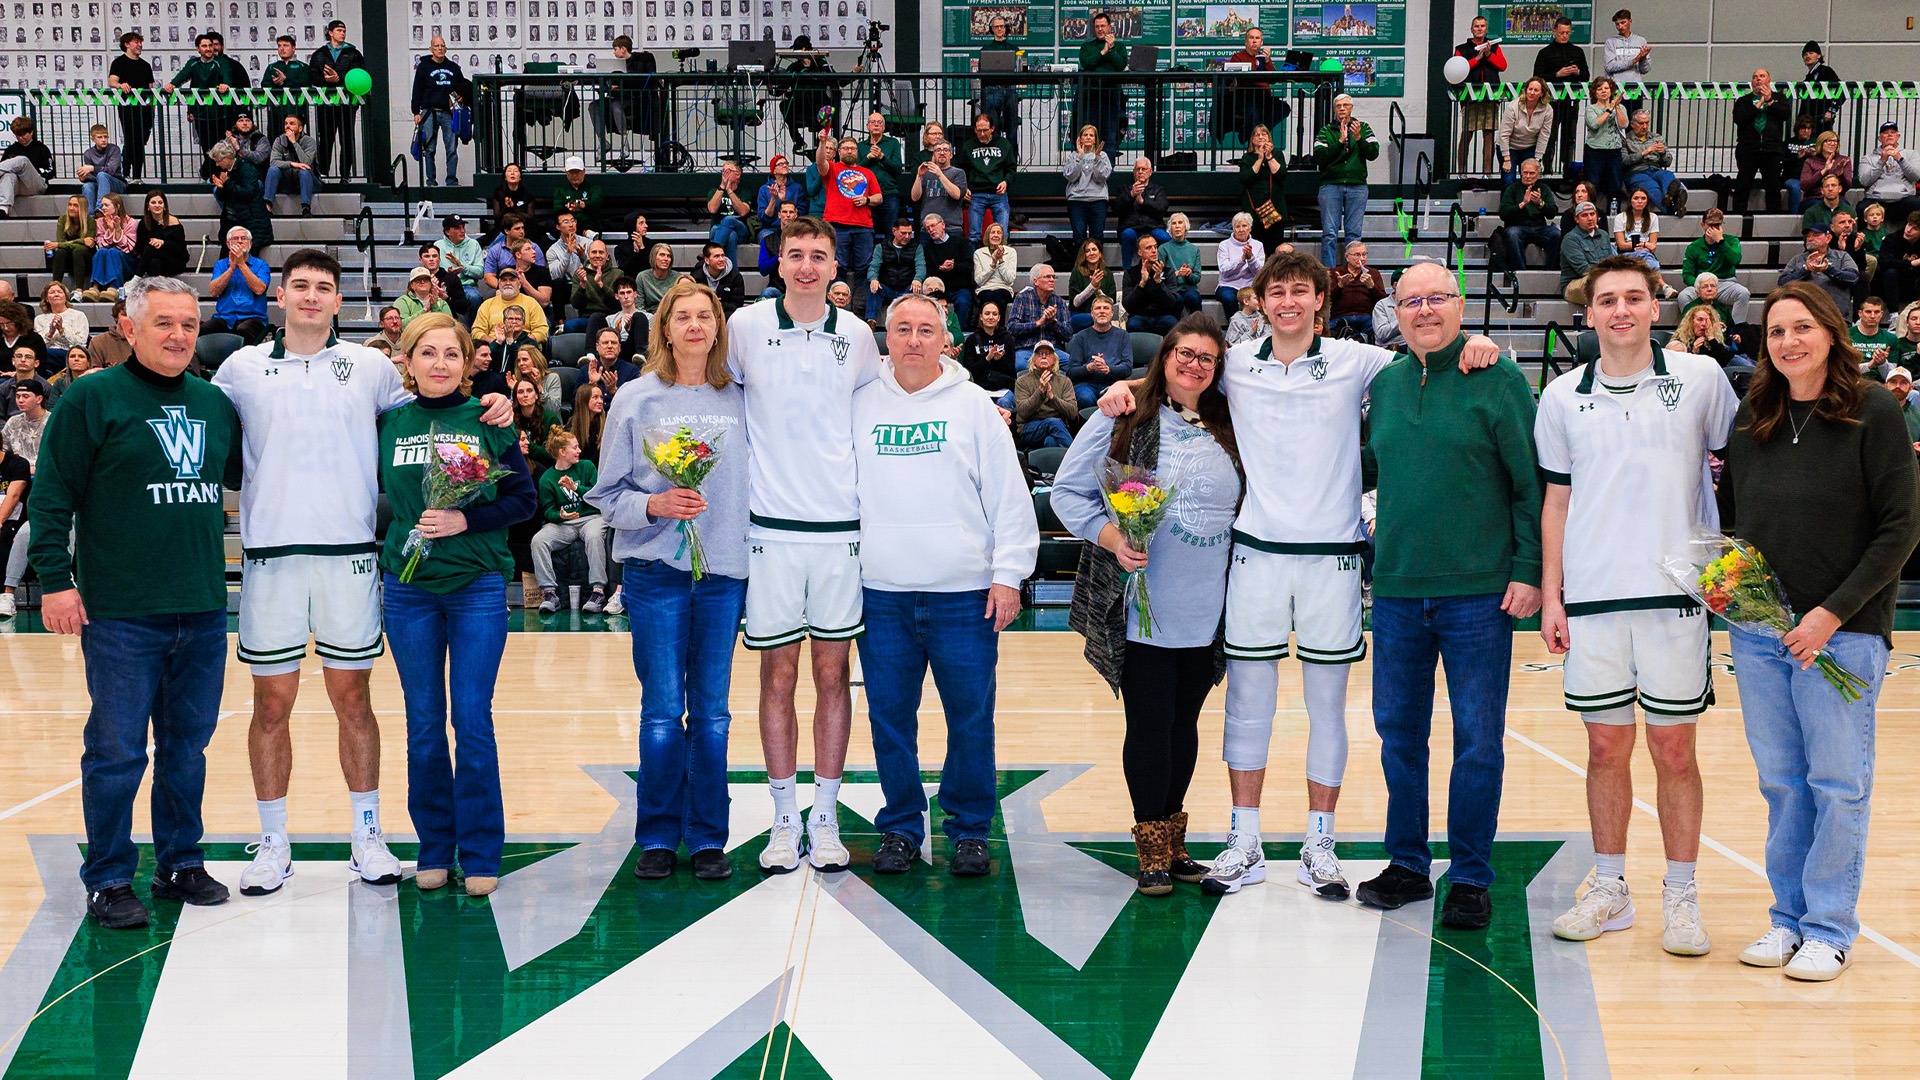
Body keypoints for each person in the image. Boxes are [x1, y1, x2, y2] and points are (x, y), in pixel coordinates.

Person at [1098, 253, 1505, 900]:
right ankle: (1244, 841)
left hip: (1334, 558)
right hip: (1255, 554)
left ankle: (1321, 843)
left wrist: (1479, 340)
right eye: (1276, 290)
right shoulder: (1236, 365)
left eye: (1301, 290)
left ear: (1321, 299)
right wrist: (1126, 392)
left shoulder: (1358, 360)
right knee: (1246, 708)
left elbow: (1430, 350)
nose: (1288, 300)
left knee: (1327, 711)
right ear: (1258, 300)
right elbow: (1179, 379)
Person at [214, 251, 501, 896]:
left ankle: (367, 835)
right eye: (300, 287)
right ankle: (273, 839)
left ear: (340, 301)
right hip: (271, 557)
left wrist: (494, 407)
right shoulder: (241, 369)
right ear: (278, 296)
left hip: (350, 555)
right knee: (271, 704)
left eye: (324, 288)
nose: (312, 297)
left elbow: (438, 407)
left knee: (353, 700)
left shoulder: (371, 368)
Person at [1537, 256, 1740, 957]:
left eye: (1634, 297)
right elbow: (1556, 500)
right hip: (1593, 599)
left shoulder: (1702, 380)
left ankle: (1681, 895)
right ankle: (1612, 888)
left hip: (1676, 597)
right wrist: (1553, 595)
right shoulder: (1562, 395)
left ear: (1657, 306)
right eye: (1606, 300)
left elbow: (1736, 469)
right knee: (1604, 746)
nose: (1620, 310)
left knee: (1674, 748)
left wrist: (1730, 570)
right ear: (1587, 313)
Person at [1718, 281, 1920, 981]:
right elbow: (1735, 522)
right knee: (1782, 782)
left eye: (1801, 328)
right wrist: (1732, 588)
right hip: (1761, 633)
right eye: (1776, 332)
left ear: (1831, 333)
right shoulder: (1755, 414)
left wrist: (1831, 613)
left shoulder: (1873, 411)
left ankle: (1829, 926)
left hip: (1843, 630)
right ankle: (1787, 919)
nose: (1788, 342)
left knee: (1837, 782)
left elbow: (1902, 529)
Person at [29, 275, 243, 928]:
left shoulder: (213, 404)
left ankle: (180, 862)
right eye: (164, 324)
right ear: (129, 328)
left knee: (187, 749)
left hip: (204, 608)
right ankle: (111, 877)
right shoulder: (92, 398)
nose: (179, 335)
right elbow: (50, 494)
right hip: (122, 613)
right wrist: (56, 580)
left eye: (188, 324)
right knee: (118, 751)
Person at [1356, 260, 1542, 928]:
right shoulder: (1387, 384)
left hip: (1479, 594)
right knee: (1398, 735)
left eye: (1437, 298)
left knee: (1478, 739)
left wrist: (1529, 570)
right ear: (1395, 314)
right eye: (1411, 301)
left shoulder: (1500, 379)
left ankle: (1469, 874)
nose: (1424, 310)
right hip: (1400, 592)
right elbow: (1372, 474)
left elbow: (1529, 484)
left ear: (1460, 306)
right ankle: (1408, 862)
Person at [854, 292, 1037, 877]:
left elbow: (1009, 495)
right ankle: (902, 826)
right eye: (902, 329)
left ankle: (968, 827)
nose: (913, 340)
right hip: (880, 593)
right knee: (889, 717)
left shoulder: (974, 406)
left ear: (945, 339)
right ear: (886, 336)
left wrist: (1008, 575)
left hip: (964, 593)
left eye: (925, 330)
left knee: (970, 716)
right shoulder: (859, 402)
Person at [1057, 314, 1239, 890]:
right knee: (1151, 723)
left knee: (1186, 724)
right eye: (1184, 353)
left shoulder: (1228, 423)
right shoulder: (1127, 416)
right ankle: (1150, 846)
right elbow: (1067, 493)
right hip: (1144, 600)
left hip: (1209, 605)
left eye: (1207, 358)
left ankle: (1175, 841)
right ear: (1164, 357)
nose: (1194, 365)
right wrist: (1113, 538)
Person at [725, 216, 884, 874]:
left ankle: (824, 816)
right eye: (797, 255)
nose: (808, 266)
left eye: (819, 255)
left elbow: (880, 417)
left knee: (831, 677)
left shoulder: (859, 336)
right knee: (778, 677)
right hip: (770, 531)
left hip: (840, 531)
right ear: (780, 263)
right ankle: (783, 818)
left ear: (834, 265)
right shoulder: (745, 328)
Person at [588, 278, 749, 881]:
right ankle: (656, 833)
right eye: (682, 316)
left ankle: (708, 837)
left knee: (711, 712)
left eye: (705, 316)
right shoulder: (635, 399)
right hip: (654, 574)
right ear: (664, 327)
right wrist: (653, 508)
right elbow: (604, 496)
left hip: (722, 573)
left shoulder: (740, 399)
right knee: (660, 711)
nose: (695, 326)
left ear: (717, 327)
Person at [379, 312, 536, 897]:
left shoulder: (487, 418)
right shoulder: (389, 421)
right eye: (428, 353)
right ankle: (434, 846)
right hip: (408, 588)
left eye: (451, 353)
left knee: (470, 720)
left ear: (468, 361)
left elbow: (522, 501)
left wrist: (465, 518)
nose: (439, 363)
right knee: (423, 725)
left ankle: (480, 849)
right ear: (409, 360)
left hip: (475, 589)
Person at [529, 426, 611, 613]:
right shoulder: (547, 479)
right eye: (575, 448)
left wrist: (576, 489)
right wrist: (560, 515)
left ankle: (598, 591)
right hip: (564, 524)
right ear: (562, 452)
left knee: (593, 536)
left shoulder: (587, 467)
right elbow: (547, 511)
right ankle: (550, 593)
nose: (579, 451)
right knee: (539, 540)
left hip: (591, 517)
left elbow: (598, 498)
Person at [1314, 95, 1377, 269]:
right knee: (1329, 233)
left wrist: (1358, 139)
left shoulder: (1363, 128)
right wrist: (1340, 141)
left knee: (1354, 233)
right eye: (1338, 106)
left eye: (1345, 105)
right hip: (1331, 185)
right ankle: (1329, 272)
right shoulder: (1326, 131)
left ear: (1352, 108)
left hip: (1357, 185)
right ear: (1334, 109)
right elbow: (1319, 157)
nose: (1342, 108)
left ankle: (1355, 269)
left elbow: (1373, 153)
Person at [816, 136, 880, 288]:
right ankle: (838, 304)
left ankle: (860, 306)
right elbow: (820, 162)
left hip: (863, 225)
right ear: (839, 152)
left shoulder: (867, 173)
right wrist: (822, 142)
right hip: (837, 225)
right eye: (846, 148)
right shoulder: (832, 168)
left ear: (858, 152)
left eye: (853, 148)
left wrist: (867, 200)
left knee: (864, 267)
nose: (849, 151)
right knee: (838, 266)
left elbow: (879, 197)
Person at [163, 34, 239, 163]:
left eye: (210, 45)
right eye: (204, 46)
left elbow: (227, 77)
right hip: (200, 112)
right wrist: (171, 84)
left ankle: (216, 174)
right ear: (198, 49)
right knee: (205, 146)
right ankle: (209, 174)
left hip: (219, 113)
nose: (208, 48)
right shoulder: (193, 63)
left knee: (219, 146)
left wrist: (225, 84)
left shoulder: (221, 62)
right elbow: (182, 76)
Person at [310, 20, 367, 180]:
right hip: (326, 104)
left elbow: (359, 74)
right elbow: (313, 76)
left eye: (344, 30)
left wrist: (339, 78)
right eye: (339, 30)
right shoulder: (320, 54)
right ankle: (323, 173)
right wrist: (326, 80)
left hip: (347, 105)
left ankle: (345, 174)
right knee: (326, 140)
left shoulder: (354, 54)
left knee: (347, 140)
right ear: (330, 32)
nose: (342, 33)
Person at [1532, 17, 1588, 177]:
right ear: (1554, 31)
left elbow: (1586, 75)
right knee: (1550, 135)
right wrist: (1557, 74)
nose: (1564, 35)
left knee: (1570, 137)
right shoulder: (1545, 53)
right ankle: (1548, 169)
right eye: (1561, 32)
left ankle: (1567, 169)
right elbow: (1537, 76)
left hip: (1571, 100)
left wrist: (1577, 72)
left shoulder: (1578, 52)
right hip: (1551, 102)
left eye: (1567, 33)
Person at [1675, 208, 1750, 323]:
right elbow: (1687, 275)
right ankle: (1692, 328)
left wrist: (1721, 242)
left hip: (1724, 283)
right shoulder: (1693, 247)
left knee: (1743, 293)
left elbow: (1736, 260)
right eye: (1710, 225)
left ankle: (1735, 331)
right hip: (1701, 284)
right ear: (1703, 225)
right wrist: (1700, 286)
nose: (1714, 229)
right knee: (1683, 296)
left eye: (1717, 225)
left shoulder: (1731, 241)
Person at [1732, 70, 1791, 214]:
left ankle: (1773, 217)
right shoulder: (1743, 101)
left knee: (1773, 185)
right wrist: (1759, 103)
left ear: (1769, 80)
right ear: (1752, 82)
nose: (1758, 79)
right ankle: (1739, 216)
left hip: (1771, 149)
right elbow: (1740, 119)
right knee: (1743, 184)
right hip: (1748, 149)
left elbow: (1785, 115)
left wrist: (1770, 100)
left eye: (1762, 76)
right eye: (1755, 77)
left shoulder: (1780, 98)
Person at [410, 35, 466, 187]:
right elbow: (417, 90)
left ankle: (452, 181)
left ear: (446, 48)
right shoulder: (423, 67)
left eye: (442, 46)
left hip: (449, 113)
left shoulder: (454, 68)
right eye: (437, 46)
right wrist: (416, 112)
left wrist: (462, 97)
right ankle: (431, 182)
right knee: (429, 149)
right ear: (431, 49)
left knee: (452, 149)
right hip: (428, 112)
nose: (440, 48)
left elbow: (462, 87)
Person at [1453, 17, 1507, 174]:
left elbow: (1503, 66)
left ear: (1486, 28)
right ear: (1471, 29)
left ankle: (1487, 172)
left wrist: (1489, 55)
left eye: (1482, 26)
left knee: (1489, 134)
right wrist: (1477, 59)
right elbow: (1458, 69)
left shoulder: (1494, 46)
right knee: (1467, 134)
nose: (1479, 29)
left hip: (1490, 96)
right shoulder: (1461, 49)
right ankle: (1461, 172)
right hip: (1470, 98)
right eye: (1476, 26)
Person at [204, 227, 271, 345]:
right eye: (235, 238)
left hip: (253, 317)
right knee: (204, 330)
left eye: (244, 238)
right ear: (228, 244)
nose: (240, 241)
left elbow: (259, 289)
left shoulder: (261, 265)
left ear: (250, 243)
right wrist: (232, 268)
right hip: (225, 317)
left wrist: (241, 264)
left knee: (243, 331)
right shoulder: (220, 265)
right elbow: (214, 291)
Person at [1780, 223, 1860, 320]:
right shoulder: (1797, 259)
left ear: (1828, 238)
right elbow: (1782, 283)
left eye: (1816, 235)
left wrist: (1828, 269)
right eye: (1808, 236)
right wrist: (1805, 270)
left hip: (1836, 317)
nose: (1810, 238)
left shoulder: (1842, 256)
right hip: (1803, 317)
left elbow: (1852, 278)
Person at [1077, 11, 1128, 163]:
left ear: (1109, 27)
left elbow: (1120, 65)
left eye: (1103, 26)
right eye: (1097, 26)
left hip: (1112, 97)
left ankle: (1108, 172)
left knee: (1110, 137)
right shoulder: (1087, 46)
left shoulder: (1119, 46)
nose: (1100, 29)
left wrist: (1111, 50)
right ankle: (1089, 171)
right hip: (1090, 98)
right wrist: (1103, 52)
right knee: (1089, 136)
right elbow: (1087, 63)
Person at [1066, 295, 1132, 408]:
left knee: (1115, 397)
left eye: (1106, 308)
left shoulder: (1123, 336)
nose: (1102, 311)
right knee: (1085, 397)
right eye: (1098, 308)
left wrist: (1109, 370)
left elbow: (1127, 367)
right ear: (1092, 313)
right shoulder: (1080, 337)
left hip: (1113, 383)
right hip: (1086, 384)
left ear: (1112, 313)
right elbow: (1071, 372)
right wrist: (1089, 368)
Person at [960, 113, 1015, 245]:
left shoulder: (1003, 144)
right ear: (975, 130)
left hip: (998, 193)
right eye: (979, 130)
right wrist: (964, 187)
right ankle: (973, 264)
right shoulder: (968, 146)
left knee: (1002, 234)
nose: (982, 134)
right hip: (976, 193)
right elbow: (961, 169)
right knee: (973, 235)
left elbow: (1011, 168)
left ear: (992, 128)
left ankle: (1001, 263)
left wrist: (1006, 181)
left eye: (985, 130)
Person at [208, 142, 273, 256]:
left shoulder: (247, 169)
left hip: (249, 220)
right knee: (225, 259)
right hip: (231, 219)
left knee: (248, 261)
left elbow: (248, 193)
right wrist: (221, 188)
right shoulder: (226, 171)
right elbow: (225, 196)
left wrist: (227, 184)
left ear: (227, 158)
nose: (217, 165)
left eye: (219, 161)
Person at [1499, 158, 1562, 271]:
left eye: (1531, 173)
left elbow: (1552, 213)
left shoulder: (1544, 189)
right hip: (1517, 226)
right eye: (1525, 173)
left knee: (1557, 234)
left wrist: (1540, 203)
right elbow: (1503, 213)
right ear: (1520, 173)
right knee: (1512, 234)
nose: (1528, 176)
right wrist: (1522, 204)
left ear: (1538, 175)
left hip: (1539, 227)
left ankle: (1551, 271)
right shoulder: (1512, 189)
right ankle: (1520, 273)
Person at [109, 31, 156, 183]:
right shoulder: (119, 63)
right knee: (130, 139)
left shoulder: (145, 65)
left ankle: (137, 176)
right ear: (127, 44)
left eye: (140, 42)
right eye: (136, 42)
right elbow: (112, 82)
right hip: (127, 108)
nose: (140, 45)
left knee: (140, 141)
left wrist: (152, 109)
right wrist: (121, 85)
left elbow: (150, 88)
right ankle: (126, 173)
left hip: (145, 109)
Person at [1013, 339, 1076, 448]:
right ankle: (1076, 458)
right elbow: (1023, 413)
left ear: (1054, 359)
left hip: (1058, 427)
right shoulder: (1022, 381)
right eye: (1040, 354)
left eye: (1048, 354)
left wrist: (1052, 397)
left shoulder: (1064, 381)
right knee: (1053, 423)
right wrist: (1040, 392)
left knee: (1050, 441)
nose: (1043, 356)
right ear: (1033, 359)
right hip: (1029, 428)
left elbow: (1072, 413)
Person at [856, 110, 908, 238]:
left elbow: (897, 169)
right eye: (872, 122)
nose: (876, 125)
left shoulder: (893, 143)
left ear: (884, 127)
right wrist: (868, 157)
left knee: (891, 233)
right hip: (867, 196)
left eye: (880, 122)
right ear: (867, 126)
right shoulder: (861, 146)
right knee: (868, 232)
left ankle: (891, 257)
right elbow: (856, 171)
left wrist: (882, 157)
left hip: (889, 194)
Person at [1116, 157, 1172, 273]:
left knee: (1165, 238)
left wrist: (1143, 202)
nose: (1140, 172)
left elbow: (1162, 208)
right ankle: (1127, 271)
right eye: (1138, 169)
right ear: (1134, 172)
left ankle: (1163, 271)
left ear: (1150, 171)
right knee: (1127, 235)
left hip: (1153, 228)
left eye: (1144, 169)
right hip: (1131, 228)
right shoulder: (1125, 189)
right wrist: (1131, 195)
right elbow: (1117, 208)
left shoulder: (1157, 190)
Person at [1858, 121, 1920, 224]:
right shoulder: (1868, 158)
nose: (1889, 134)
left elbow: (1916, 177)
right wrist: (1881, 161)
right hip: (1876, 199)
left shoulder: (1911, 154)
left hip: (1904, 199)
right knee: (1862, 208)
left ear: (1898, 136)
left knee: (1917, 204)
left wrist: (1900, 159)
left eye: (1893, 132)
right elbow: (1864, 181)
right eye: (1885, 133)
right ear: (1880, 138)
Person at [1621, 111, 1684, 213]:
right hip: (1636, 171)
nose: (1645, 126)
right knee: (1652, 186)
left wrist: (1663, 153)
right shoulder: (1625, 140)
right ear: (1632, 124)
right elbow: (1624, 161)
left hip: (1656, 169)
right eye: (1641, 123)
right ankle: (1673, 208)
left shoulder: (1657, 138)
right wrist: (1643, 153)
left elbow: (1667, 163)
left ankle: (1670, 197)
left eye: (1647, 123)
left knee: (1668, 175)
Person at [1238, 125, 1287, 255]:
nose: (1261, 137)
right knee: (1255, 249)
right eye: (1257, 135)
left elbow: (1281, 174)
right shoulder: (1247, 158)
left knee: (1275, 248)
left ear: (1269, 138)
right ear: (1252, 140)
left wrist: (1269, 157)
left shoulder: (1277, 154)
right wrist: (1260, 159)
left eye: (1264, 134)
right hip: (1254, 212)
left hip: (1274, 211)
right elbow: (1245, 178)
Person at [960, 298, 1017, 408]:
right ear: (981, 317)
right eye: (987, 314)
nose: (991, 317)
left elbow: (1011, 370)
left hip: (1003, 389)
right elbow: (969, 370)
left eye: (994, 314)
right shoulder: (972, 340)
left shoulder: (1007, 338)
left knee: (1003, 403)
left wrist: (998, 360)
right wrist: (987, 359)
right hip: (980, 388)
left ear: (999, 318)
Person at [865, 219, 924, 324]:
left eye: (910, 233)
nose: (907, 237)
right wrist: (873, 279)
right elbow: (874, 266)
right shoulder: (881, 247)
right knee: (874, 289)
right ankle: (871, 321)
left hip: (907, 287)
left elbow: (921, 266)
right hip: (887, 286)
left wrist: (917, 279)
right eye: (903, 233)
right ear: (894, 231)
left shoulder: (917, 247)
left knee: (918, 289)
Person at [1497, 78, 1553, 185]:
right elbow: (1504, 134)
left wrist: (1538, 159)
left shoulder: (1548, 110)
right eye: (1530, 89)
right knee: (1508, 180)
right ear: (1525, 90)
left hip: (1529, 147)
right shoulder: (1513, 107)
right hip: (1509, 147)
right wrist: (1507, 159)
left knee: (1530, 180)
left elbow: (1544, 135)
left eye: (1536, 90)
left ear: (1542, 93)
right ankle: (1507, 201)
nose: (1532, 92)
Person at [473, 267, 552, 343]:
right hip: (495, 349)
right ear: (499, 284)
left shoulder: (532, 303)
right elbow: (477, 331)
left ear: (519, 284)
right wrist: (495, 343)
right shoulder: (487, 305)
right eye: (504, 280)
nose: (508, 283)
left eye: (512, 280)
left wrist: (521, 343)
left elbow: (542, 331)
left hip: (525, 349)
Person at [1064, 125, 1113, 244]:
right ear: (1080, 139)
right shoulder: (1073, 156)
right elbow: (1071, 176)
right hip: (1077, 200)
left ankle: (1097, 263)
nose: (1088, 137)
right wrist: (1080, 158)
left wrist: (1096, 159)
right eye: (1085, 135)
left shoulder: (1103, 156)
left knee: (1097, 236)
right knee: (1079, 235)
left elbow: (1101, 177)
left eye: (1091, 135)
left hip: (1097, 200)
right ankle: (1080, 262)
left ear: (1095, 139)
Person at [84, 194, 137, 304]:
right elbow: (101, 244)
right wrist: (109, 229)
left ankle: (114, 287)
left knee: (113, 251)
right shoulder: (99, 222)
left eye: (106, 205)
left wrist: (117, 229)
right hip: (107, 257)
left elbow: (128, 248)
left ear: (117, 206)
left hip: (126, 261)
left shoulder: (131, 223)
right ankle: (96, 287)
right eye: (102, 205)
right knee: (102, 252)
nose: (103, 208)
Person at [1584, 78, 1629, 210]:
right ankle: (1590, 211)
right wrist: (1609, 110)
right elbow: (1594, 124)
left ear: (1611, 91)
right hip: (1595, 150)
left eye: (1606, 88)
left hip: (1614, 149)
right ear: (1595, 92)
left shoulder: (1619, 107)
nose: (1603, 91)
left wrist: (1617, 107)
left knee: (1615, 184)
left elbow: (1624, 124)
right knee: (1593, 184)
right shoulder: (1591, 108)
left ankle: (1613, 212)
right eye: (1599, 89)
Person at [1328, 242, 1386, 340]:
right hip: (1341, 316)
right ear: (1347, 257)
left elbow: (1382, 300)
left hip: (1367, 317)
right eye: (1357, 255)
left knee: (1381, 333)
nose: (1362, 258)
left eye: (1364, 254)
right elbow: (1327, 299)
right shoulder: (1336, 273)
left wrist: (1372, 287)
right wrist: (1340, 286)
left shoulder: (1373, 273)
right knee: (1328, 334)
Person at [1123, 236, 1180, 335]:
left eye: (1155, 247)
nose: (1154, 251)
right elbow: (1128, 305)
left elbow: (1172, 303)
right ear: (1140, 253)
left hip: (1163, 315)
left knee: (1173, 324)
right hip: (1139, 316)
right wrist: (1142, 283)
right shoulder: (1130, 273)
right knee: (1132, 324)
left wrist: (1159, 282)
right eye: (1149, 248)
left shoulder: (1168, 272)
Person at [0, 116, 53, 220]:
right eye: (17, 135)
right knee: (8, 175)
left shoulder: (41, 148)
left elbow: (51, 172)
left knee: (23, 160)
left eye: (23, 134)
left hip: (36, 184)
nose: (20, 138)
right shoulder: (11, 150)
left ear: (31, 132)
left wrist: (33, 170)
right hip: (18, 186)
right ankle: (3, 209)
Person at [1560, 201, 1613, 305]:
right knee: (1594, 283)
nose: (1589, 218)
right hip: (1575, 283)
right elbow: (1583, 269)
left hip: (1603, 278)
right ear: (1576, 219)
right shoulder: (1570, 239)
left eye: (1592, 214)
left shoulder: (1604, 235)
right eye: (1584, 215)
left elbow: (1610, 262)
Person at [910, 141, 967, 237]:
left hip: (952, 227)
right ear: (933, 155)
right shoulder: (926, 173)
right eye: (938, 150)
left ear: (951, 155)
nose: (942, 153)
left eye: (945, 150)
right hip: (928, 227)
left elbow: (957, 195)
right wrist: (919, 176)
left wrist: (940, 174)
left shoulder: (958, 173)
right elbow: (915, 197)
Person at [266, 115, 320, 215]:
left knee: (304, 170)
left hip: (308, 181)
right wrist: (292, 164)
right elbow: (273, 161)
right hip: (288, 181)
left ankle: (306, 208)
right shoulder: (279, 141)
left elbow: (306, 162)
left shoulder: (309, 141)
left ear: (300, 128)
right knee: (273, 169)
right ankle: (268, 207)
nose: (288, 126)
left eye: (292, 123)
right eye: (286, 123)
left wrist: (294, 143)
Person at [1610, 188, 1668, 281]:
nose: (1639, 201)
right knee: (1645, 255)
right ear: (1630, 201)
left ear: (1647, 201)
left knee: (1645, 255)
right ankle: (1663, 285)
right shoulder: (1620, 217)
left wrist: (1644, 246)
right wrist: (1644, 244)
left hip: (1645, 253)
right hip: (1625, 254)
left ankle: (1660, 288)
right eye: (1636, 198)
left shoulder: (1653, 217)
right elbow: (1621, 245)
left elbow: (1652, 246)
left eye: (1643, 198)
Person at [705, 160, 755, 266]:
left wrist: (730, 192)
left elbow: (743, 212)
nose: (724, 174)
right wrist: (722, 187)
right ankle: (733, 276)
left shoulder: (744, 192)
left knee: (729, 220)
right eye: (723, 171)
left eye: (728, 171)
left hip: (741, 229)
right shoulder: (714, 191)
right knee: (731, 236)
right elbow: (712, 209)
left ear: (737, 174)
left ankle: (712, 251)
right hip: (717, 229)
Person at [43, 200, 95, 299]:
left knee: (78, 250)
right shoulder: (63, 219)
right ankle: (54, 286)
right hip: (69, 259)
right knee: (61, 251)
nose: (71, 208)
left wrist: (59, 244)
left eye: (75, 205)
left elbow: (89, 244)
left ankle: (79, 291)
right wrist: (82, 240)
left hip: (86, 259)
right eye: (70, 205)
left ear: (82, 209)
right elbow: (61, 242)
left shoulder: (90, 221)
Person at [971, 220, 1017, 324]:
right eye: (993, 232)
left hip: (1004, 288)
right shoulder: (979, 253)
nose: (995, 235)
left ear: (1002, 236)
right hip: (984, 289)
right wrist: (993, 264)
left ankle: (995, 329)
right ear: (988, 235)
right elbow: (979, 281)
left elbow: (1010, 280)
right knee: (989, 296)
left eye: (998, 233)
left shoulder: (1011, 252)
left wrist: (1000, 261)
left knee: (997, 296)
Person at [264, 34, 311, 134]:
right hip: (276, 111)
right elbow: (264, 84)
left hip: (297, 110)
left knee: (295, 141)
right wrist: (275, 83)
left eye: (285, 45)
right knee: (275, 140)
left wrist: (286, 80)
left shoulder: (302, 66)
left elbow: (306, 83)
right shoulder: (272, 67)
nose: (282, 49)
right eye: (279, 46)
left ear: (293, 48)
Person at [1068, 239, 1118, 333]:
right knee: (1097, 319)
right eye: (1087, 251)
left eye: (1094, 249)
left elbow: (1110, 301)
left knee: (1101, 318)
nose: (1091, 253)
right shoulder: (1076, 272)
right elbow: (1076, 303)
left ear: (1100, 254)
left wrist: (1098, 290)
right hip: (1079, 314)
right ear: (1084, 255)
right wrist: (1091, 286)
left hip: (1100, 313)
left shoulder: (1108, 274)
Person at [134, 191, 188, 279]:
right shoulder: (143, 223)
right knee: (154, 261)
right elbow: (140, 248)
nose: (157, 205)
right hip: (152, 260)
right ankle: (155, 289)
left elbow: (180, 248)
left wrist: (163, 243)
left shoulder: (174, 222)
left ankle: (136, 279)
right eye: (153, 202)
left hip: (174, 261)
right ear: (148, 206)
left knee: (151, 247)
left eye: (160, 202)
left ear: (164, 206)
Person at [437, 215, 485, 311]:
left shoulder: (473, 244)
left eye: (463, 227)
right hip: (446, 286)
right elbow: (434, 270)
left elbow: (480, 272)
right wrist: (448, 275)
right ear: (447, 231)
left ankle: (474, 326)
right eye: (457, 228)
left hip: (467, 286)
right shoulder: (438, 245)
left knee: (474, 297)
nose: (462, 231)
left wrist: (462, 267)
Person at [1160, 214, 1205, 317]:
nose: (1177, 226)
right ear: (1170, 228)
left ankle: (1197, 328)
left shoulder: (1194, 249)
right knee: (1176, 300)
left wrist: (1189, 274)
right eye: (1174, 223)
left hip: (1189, 288)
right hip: (1171, 289)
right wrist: (1175, 274)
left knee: (1194, 298)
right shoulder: (1163, 249)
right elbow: (1159, 274)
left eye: (1180, 223)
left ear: (1186, 227)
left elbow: (1197, 277)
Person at [77, 125, 126, 216]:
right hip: (99, 185)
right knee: (87, 186)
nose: (103, 140)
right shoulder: (88, 153)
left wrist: (92, 168)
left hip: (116, 183)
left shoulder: (114, 149)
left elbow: (110, 170)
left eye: (105, 137)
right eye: (100, 137)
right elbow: (91, 177)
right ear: (93, 139)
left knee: (102, 175)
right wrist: (84, 178)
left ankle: (100, 208)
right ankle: (90, 217)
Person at [1800, 131, 1853, 214]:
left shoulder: (1844, 160)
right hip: (1815, 198)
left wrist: (1840, 174)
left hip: (1837, 198)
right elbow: (1804, 186)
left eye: (1835, 141)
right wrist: (1824, 171)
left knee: (1845, 207)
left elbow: (1847, 186)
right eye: (1829, 141)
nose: (1833, 144)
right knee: (1821, 207)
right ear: (1821, 143)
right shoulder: (1810, 161)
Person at [1601, 8, 1651, 97]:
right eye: (1617, 24)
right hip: (1616, 90)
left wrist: (1643, 58)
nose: (1620, 27)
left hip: (1635, 90)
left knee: (1635, 111)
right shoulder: (1610, 42)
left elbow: (1645, 70)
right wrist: (1633, 61)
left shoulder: (1641, 41)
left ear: (1630, 21)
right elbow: (1609, 66)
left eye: (1623, 23)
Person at [688, 241, 745, 316]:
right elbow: (691, 300)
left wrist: (719, 304)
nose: (721, 259)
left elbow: (738, 304)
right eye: (717, 256)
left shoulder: (735, 277)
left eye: (723, 255)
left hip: (725, 313)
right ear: (707, 260)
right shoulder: (696, 275)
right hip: (701, 311)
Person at [1850, 295, 1900, 376]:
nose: (1872, 316)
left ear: (1881, 314)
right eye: (1868, 312)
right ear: (1860, 313)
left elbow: (1891, 376)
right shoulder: (1846, 335)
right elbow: (1843, 370)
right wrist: (1871, 364)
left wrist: (1883, 363)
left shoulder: (1891, 339)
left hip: (1880, 385)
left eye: (1877, 312)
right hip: (1853, 382)